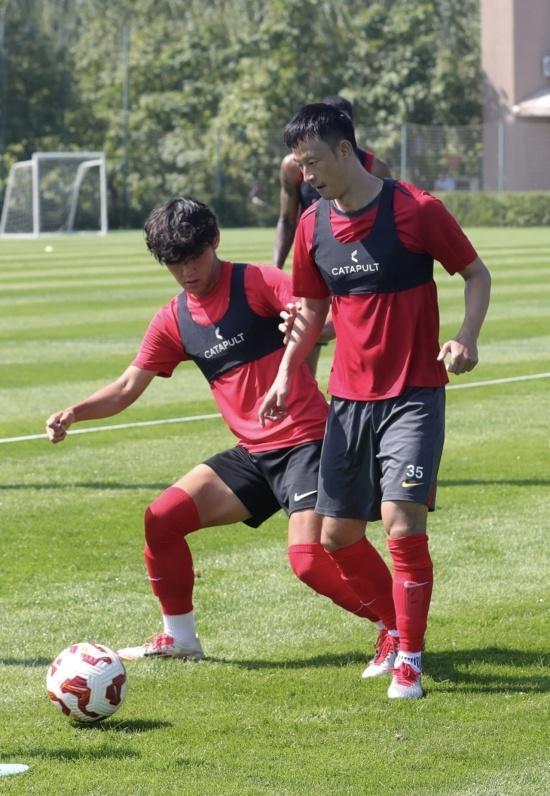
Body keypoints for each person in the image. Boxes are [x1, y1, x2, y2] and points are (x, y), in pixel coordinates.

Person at [45, 196, 399, 670]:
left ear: (214, 241)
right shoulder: (174, 319)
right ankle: (180, 638)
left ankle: (396, 628)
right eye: (174, 263)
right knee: (162, 519)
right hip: (253, 454)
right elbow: (128, 387)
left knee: (309, 561)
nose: (187, 271)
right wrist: (75, 412)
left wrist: (312, 327)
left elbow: (327, 317)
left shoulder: (255, 282)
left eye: (194, 257)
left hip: (307, 442)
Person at [259, 104, 491, 699]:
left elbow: (476, 274)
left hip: (413, 394)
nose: (306, 175)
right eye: (299, 165)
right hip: (347, 401)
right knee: (336, 537)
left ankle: (410, 657)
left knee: (400, 521)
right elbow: (313, 310)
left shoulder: (416, 209)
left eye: (313, 162)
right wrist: (285, 373)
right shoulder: (312, 225)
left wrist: (465, 337)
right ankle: (391, 627)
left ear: (345, 151)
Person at [273, 95, 390, 378]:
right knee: (306, 333)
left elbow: (386, 220)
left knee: (352, 328)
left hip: (357, 258)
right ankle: (308, 394)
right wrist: (276, 269)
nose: (309, 174)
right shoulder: (293, 167)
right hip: (315, 255)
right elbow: (287, 219)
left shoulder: (374, 167)